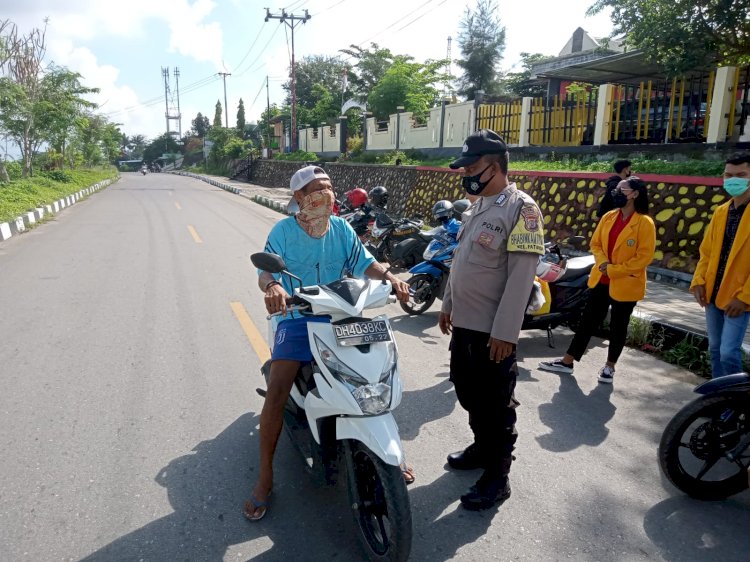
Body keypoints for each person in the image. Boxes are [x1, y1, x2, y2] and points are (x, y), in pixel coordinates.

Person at [245, 165, 411, 521]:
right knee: (277, 390)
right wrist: (273, 286)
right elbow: (266, 271)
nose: (327, 193)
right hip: (297, 318)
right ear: (299, 198)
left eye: (330, 187)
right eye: (317, 189)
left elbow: (364, 262)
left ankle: (391, 456)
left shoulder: (341, 228)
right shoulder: (284, 231)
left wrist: (391, 277)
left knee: (375, 374)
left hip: (341, 315)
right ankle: (265, 478)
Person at [438, 129, 545, 510]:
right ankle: (482, 448)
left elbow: (521, 276)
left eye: (472, 166)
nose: (465, 172)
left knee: (496, 405)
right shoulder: (477, 207)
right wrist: (448, 302)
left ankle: (497, 477)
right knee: (467, 391)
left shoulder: (522, 209)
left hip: (492, 331)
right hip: (465, 323)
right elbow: (460, 261)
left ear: (494, 166)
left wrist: (506, 333)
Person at [539, 177, 656, 383]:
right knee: (587, 321)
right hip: (601, 279)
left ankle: (610, 367)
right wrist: (603, 264)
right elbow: (596, 244)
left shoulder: (644, 223)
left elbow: (643, 258)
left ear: (635, 194)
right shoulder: (609, 217)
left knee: (618, 326)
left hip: (625, 283)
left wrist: (614, 270)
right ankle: (567, 361)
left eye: (622, 190)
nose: (616, 193)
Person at [690, 152, 750, 378]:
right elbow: (706, 252)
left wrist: (745, 297)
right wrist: (698, 281)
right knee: (715, 348)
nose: (734, 180)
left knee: (728, 351)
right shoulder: (721, 211)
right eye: (729, 175)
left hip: (739, 297)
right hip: (713, 292)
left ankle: (737, 401)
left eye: (741, 175)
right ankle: (718, 399)